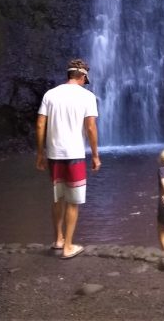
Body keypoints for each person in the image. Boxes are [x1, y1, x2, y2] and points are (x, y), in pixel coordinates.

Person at [35, 58, 100, 259]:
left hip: (54, 154)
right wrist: (96, 155)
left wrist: (40, 153)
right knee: (73, 202)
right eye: (84, 79)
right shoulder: (87, 96)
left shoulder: (50, 94)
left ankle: (58, 240)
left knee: (58, 197)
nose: (84, 82)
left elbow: (39, 125)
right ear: (82, 76)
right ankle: (69, 247)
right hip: (74, 155)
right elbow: (90, 128)